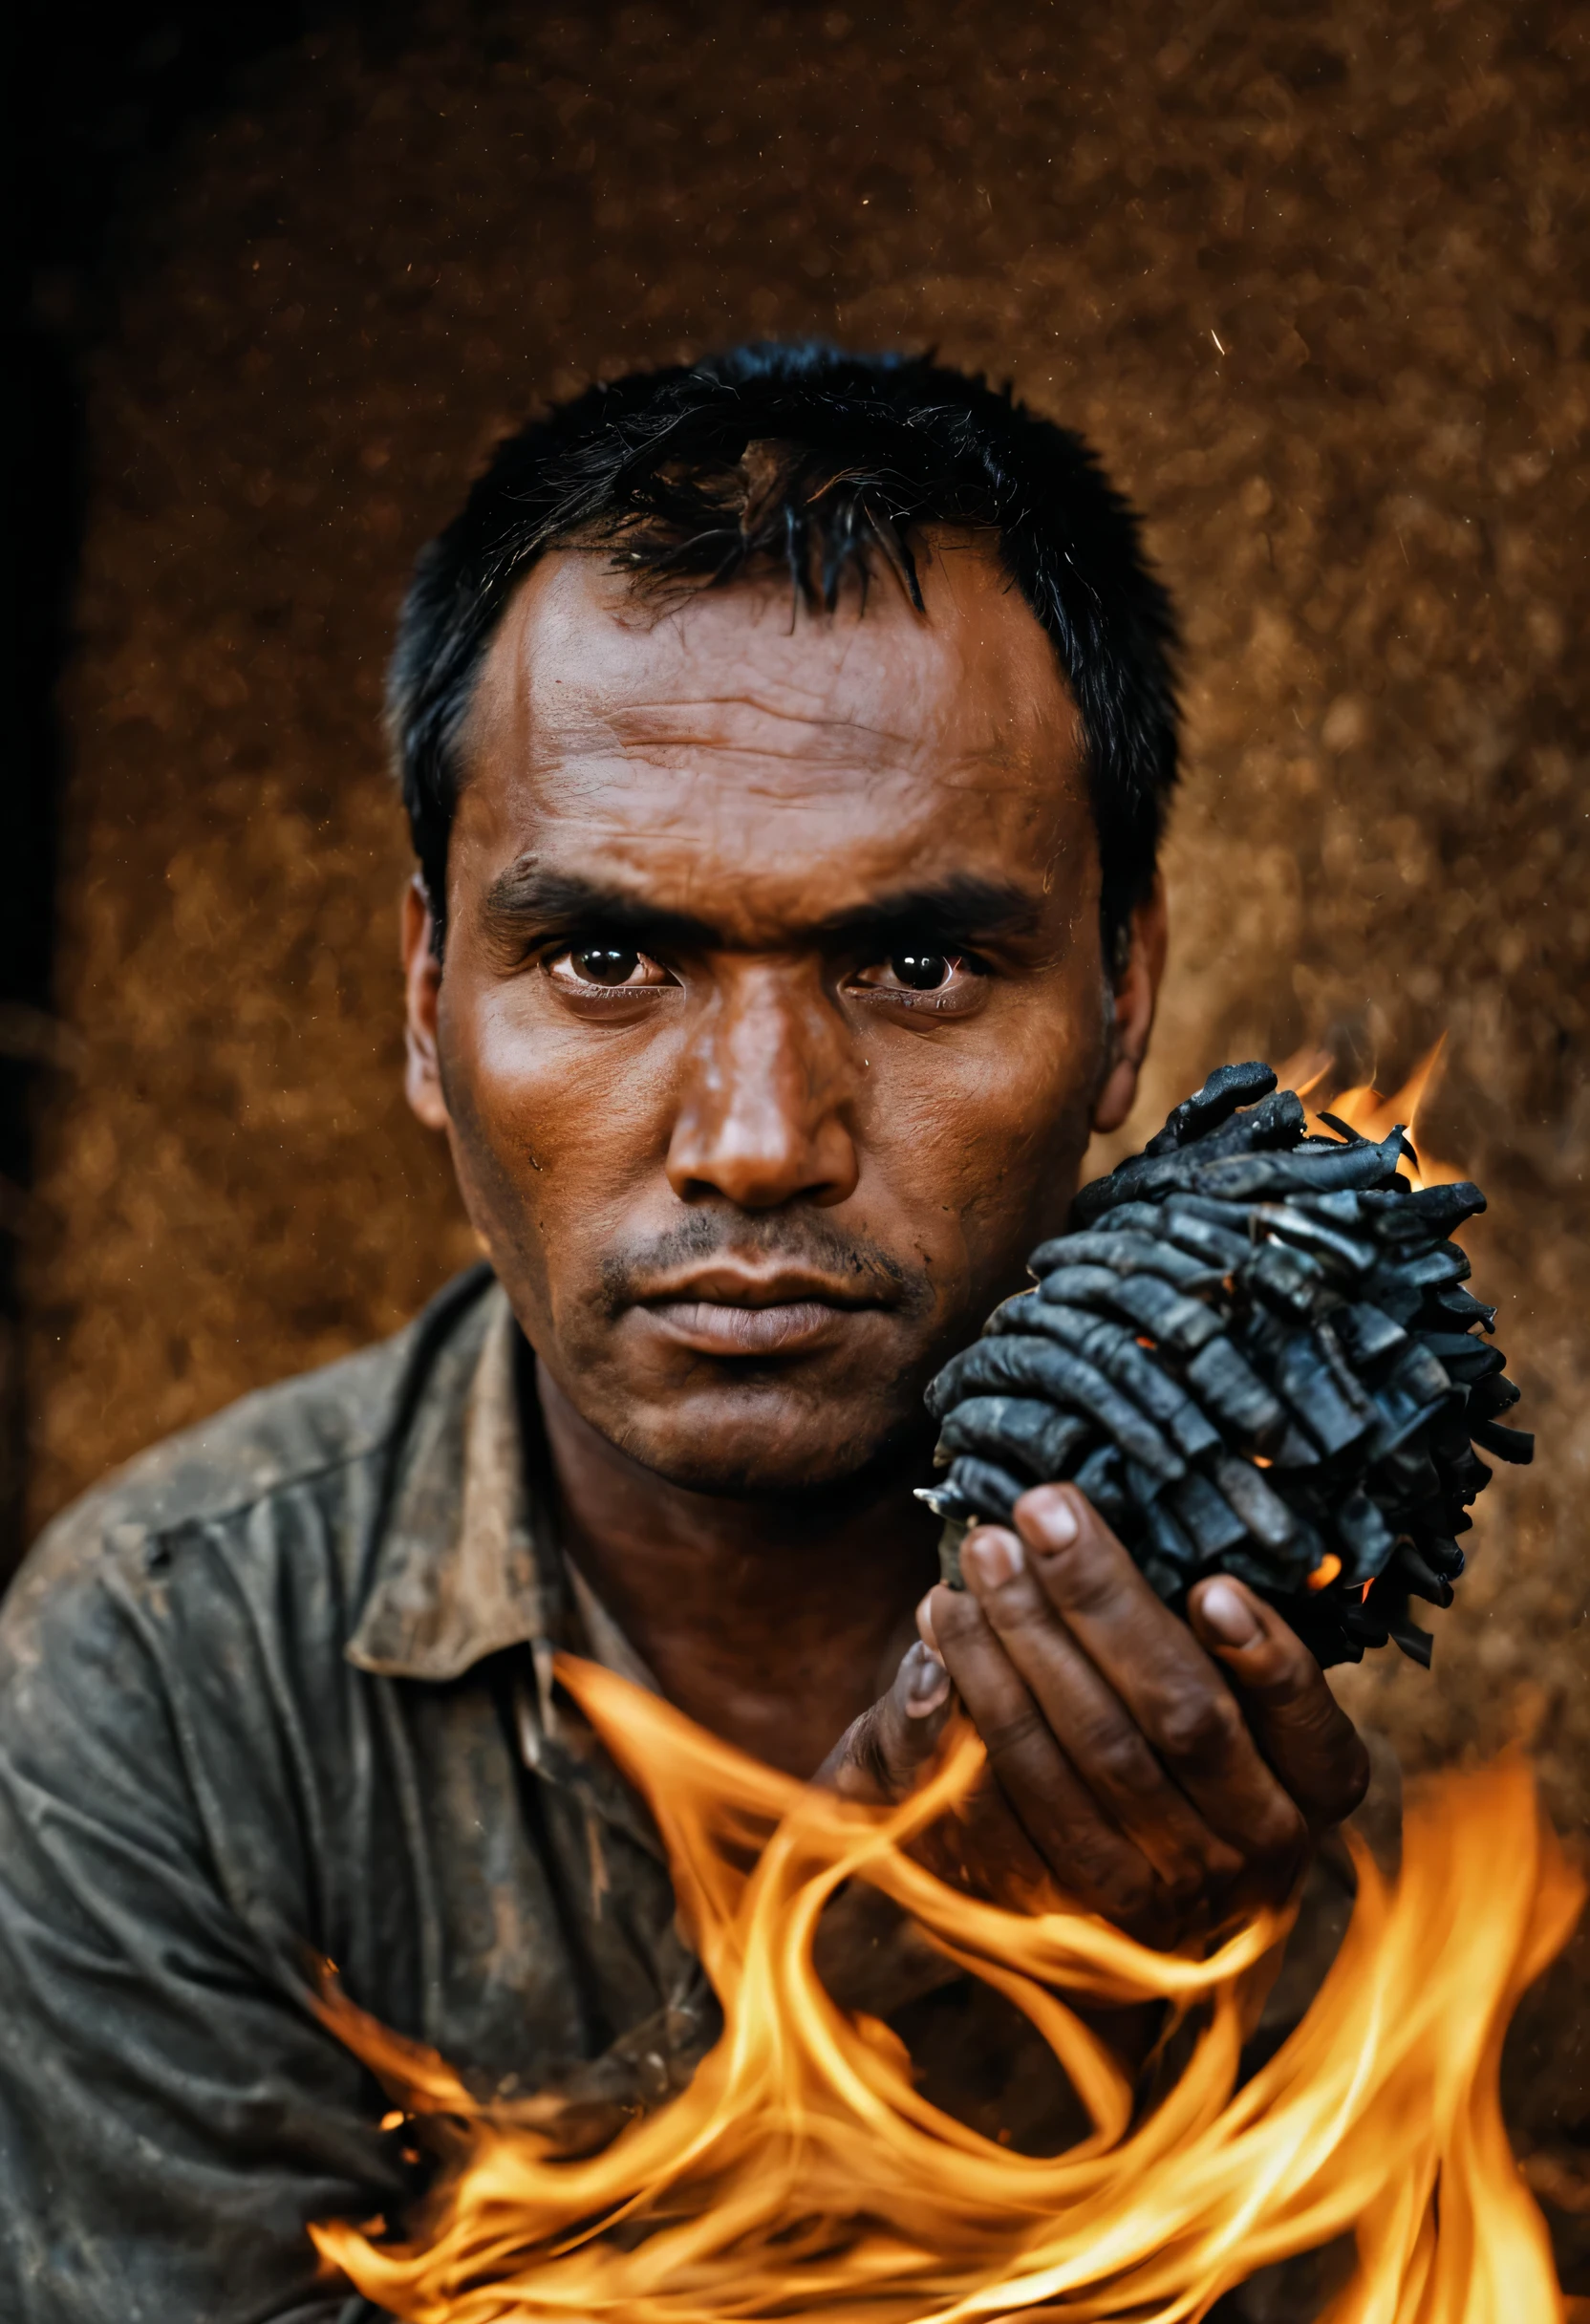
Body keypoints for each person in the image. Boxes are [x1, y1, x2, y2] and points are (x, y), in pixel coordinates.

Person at [0, 345, 1369, 2320]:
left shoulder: (1213, 1687)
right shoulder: (170, 1685)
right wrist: (888, 1964)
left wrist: (1182, 1958)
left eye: (913, 961)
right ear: (422, 995)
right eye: (609, 956)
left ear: (1121, 997)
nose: (754, 1141)